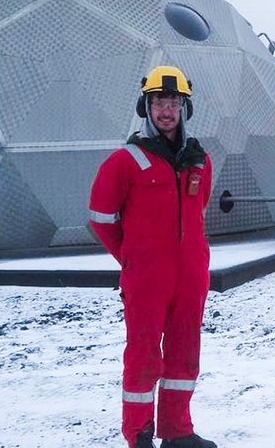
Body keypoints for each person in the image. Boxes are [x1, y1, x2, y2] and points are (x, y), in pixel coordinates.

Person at [88, 65, 216, 448]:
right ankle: (139, 435)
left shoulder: (200, 160)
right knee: (144, 358)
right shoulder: (125, 161)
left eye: (174, 102)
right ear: (146, 107)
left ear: (184, 109)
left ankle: (177, 431)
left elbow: (199, 210)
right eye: (158, 102)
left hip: (190, 277)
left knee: (184, 356)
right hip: (146, 279)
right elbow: (101, 219)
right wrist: (132, 258)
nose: (166, 110)